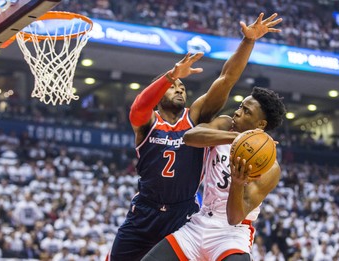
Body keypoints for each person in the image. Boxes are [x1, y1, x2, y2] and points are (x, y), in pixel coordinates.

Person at [108, 13, 283, 261]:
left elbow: (226, 79)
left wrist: (247, 42)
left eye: (182, 87)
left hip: (185, 213)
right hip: (147, 210)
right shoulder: (153, 123)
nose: (179, 89)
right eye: (173, 86)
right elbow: (150, 113)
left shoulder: (197, 115)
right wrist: (168, 76)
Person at [141, 86, 286, 261]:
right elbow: (190, 137)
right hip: (200, 223)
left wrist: (238, 183)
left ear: (260, 124)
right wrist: (237, 138)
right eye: (240, 106)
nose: (238, 112)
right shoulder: (226, 125)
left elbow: (234, 218)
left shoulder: (270, 168)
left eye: (246, 111)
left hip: (231, 235)